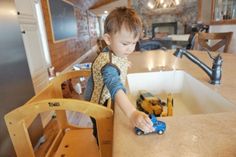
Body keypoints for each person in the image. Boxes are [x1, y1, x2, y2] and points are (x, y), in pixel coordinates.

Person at [84, 7, 154, 141]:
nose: (131, 48)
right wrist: (132, 113)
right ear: (108, 39)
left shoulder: (116, 51)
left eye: (134, 43)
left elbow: (117, 60)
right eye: (126, 43)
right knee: (100, 128)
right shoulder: (108, 65)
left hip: (107, 98)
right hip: (97, 103)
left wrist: (124, 63)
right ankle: (100, 142)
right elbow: (114, 86)